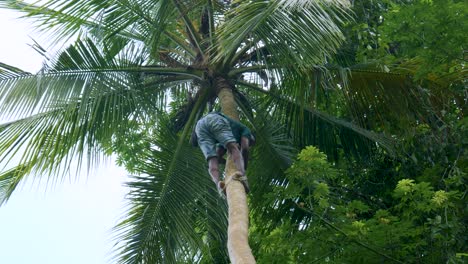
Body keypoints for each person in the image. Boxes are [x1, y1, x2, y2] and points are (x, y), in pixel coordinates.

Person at [191, 112, 255, 196]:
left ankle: (219, 185)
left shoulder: (224, 137)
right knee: (233, 148)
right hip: (214, 119)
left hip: (199, 127)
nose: (249, 143)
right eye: (251, 142)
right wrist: (244, 166)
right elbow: (245, 148)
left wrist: (223, 161)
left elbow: (218, 155)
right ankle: (242, 176)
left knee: (212, 160)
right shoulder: (246, 131)